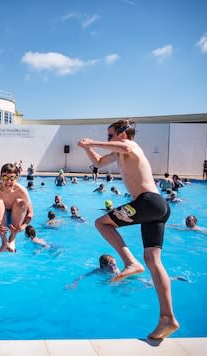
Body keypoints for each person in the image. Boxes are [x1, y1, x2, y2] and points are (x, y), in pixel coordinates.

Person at [78, 119, 179, 339]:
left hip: (148, 202)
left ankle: (131, 262)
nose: (108, 140)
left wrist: (92, 141)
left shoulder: (131, 146)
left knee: (101, 223)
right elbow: (98, 162)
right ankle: (167, 318)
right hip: (157, 207)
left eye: (110, 135)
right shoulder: (120, 153)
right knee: (153, 260)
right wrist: (88, 148)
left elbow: (124, 146)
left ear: (123, 133)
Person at [0, 163, 33, 253]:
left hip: (16, 219)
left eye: (12, 178)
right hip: (0, 219)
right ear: (0, 178)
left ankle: (12, 239)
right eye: (5, 177)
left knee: (20, 202)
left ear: (16, 178)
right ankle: (4, 241)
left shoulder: (22, 191)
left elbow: (30, 213)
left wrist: (22, 227)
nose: (8, 181)